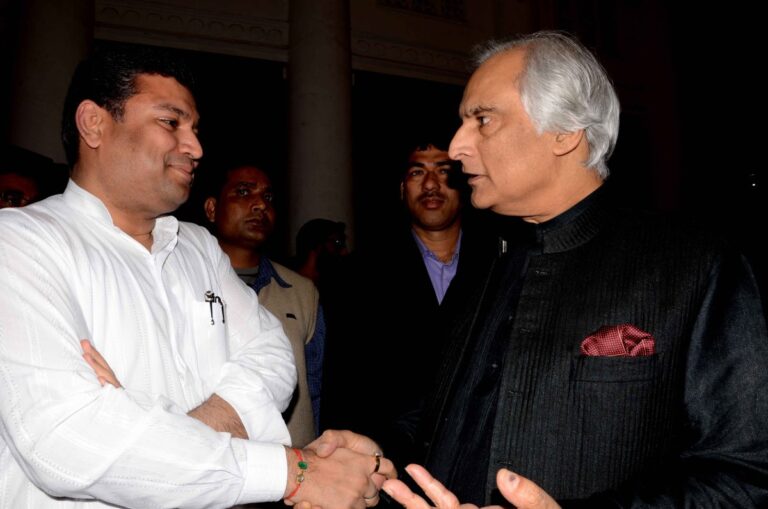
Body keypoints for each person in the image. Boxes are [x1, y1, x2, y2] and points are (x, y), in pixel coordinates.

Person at [0, 45, 393, 508]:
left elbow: (273, 356)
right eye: (171, 123)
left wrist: (154, 433)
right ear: (94, 123)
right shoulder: (19, 243)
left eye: (195, 128)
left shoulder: (198, 246)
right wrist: (293, 472)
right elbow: (68, 441)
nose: (196, 148)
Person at [392, 31, 768, 508]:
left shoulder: (695, 263)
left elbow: (745, 474)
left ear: (565, 131)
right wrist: (380, 456)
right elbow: (442, 416)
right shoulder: (484, 265)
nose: (456, 146)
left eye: (482, 120)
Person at [204, 163, 324, 447]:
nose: (259, 204)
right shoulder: (184, 283)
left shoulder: (302, 292)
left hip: (290, 473)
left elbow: (314, 390)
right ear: (211, 209)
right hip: (213, 465)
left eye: (268, 198)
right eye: (243, 192)